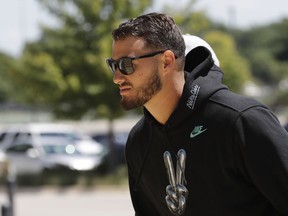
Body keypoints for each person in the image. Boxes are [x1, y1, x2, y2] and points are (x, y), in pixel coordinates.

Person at [106, 12, 288, 216]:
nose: (116, 77)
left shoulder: (242, 120)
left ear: (166, 61)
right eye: (113, 65)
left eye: (126, 64)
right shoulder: (138, 141)